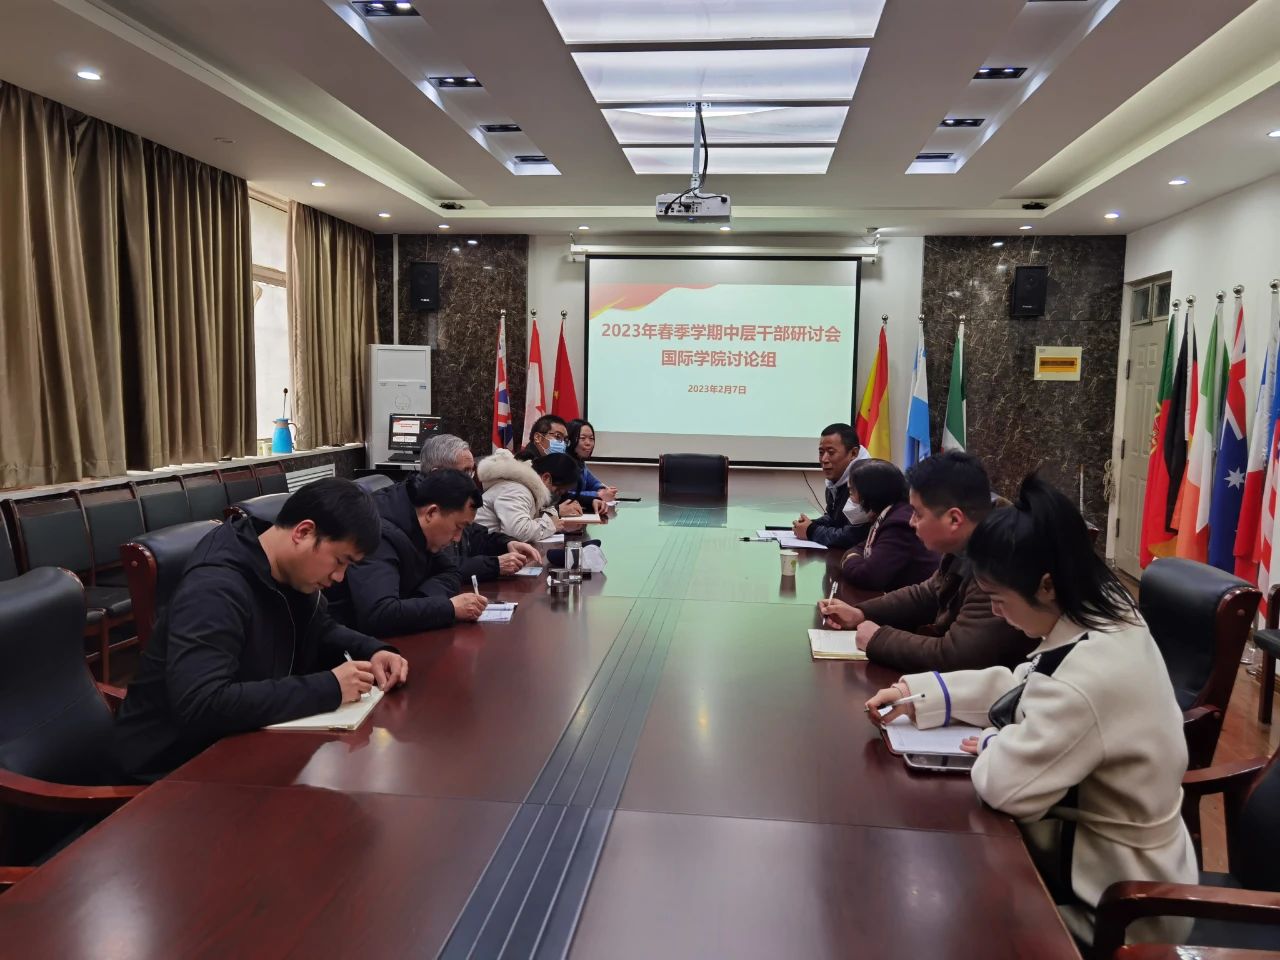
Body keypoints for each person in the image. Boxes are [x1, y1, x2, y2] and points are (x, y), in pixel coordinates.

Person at [864, 474, 1197, 947]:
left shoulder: (1091, 675)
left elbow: (1006, 786)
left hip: (1116, 906)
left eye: (1000, 600)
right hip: (1105, 864)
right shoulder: (1104, 611)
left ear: (1045, 585)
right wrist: (917, 694)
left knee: (944, 921)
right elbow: (1025, 684)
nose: (997, 613)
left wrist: (993, 740)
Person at [113, 478, 409, 782]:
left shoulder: (284, 568)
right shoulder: (214, 588)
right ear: (303, 532)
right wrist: (329, 688)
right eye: (339, 561)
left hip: (240, 745)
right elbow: (201, 704)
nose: (339, 577)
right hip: (171, 772)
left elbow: (317, 627)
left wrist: (372, 650)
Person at [817, 451, 1034, 671]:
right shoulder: (970, 538)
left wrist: (878, 639)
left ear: (954, 519)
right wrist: (861, 613)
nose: (911, 522)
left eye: (918, 514)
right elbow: (927, 593)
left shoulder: (999, 560)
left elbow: (957, 656)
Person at [326, 469, 490, 637]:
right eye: (458, 527)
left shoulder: (419, 524)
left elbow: (451, 571)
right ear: (431, 513)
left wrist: (419, 602)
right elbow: (379, 614)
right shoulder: (379, 534)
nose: (457, 538)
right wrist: (449, 608)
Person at [419, 433, 541, 581]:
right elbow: (438, 567)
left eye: (471, 472)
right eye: (464, 472)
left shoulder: (450, 499)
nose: (470, 480)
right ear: (437, 474)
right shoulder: (413, 510)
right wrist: (494, 565)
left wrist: (507, 544)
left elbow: (475, 537)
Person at [839, 460, 940, 592]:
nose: (851, 499)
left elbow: (868, 576)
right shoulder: (891, 513)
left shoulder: (899, 524)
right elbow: (861, 547)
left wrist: (849, 559)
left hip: (921, 601)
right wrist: (853, 556)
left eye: (852, 492)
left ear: (870, 493)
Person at [476, 449, 591, 543]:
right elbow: (517, 531)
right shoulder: (517, 490)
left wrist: (559, 522)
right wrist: (551, 525)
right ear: (546, 478)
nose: (557, 496)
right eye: (558, 491)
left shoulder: (526, 488)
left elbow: (530, 518)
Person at [793, 423, 871, 549]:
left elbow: (853, 536)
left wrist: (811, 530)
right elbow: (834, 518)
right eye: (821, 452)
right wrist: (810, 524)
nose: (824, 459)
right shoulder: (836, 479)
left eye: (831, 452)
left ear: (853, 453)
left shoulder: (866, 481)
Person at [519, 414, 604, 516]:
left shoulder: (548, 462)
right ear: (538, 438)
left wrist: (591, 501)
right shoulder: (525, 465)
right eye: (558, 437)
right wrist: (557, 510)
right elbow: (525, 513)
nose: (562, 444)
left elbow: (561, 495)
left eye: (565, 440)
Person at [566, 418, 618, 502]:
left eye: (591, 438)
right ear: (569, 440)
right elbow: (565, 495)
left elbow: (594, 483)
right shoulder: (562, 463)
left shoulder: (580, 462)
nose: (588, 443)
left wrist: (604, 490)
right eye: (583, 438)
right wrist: (598, 495)